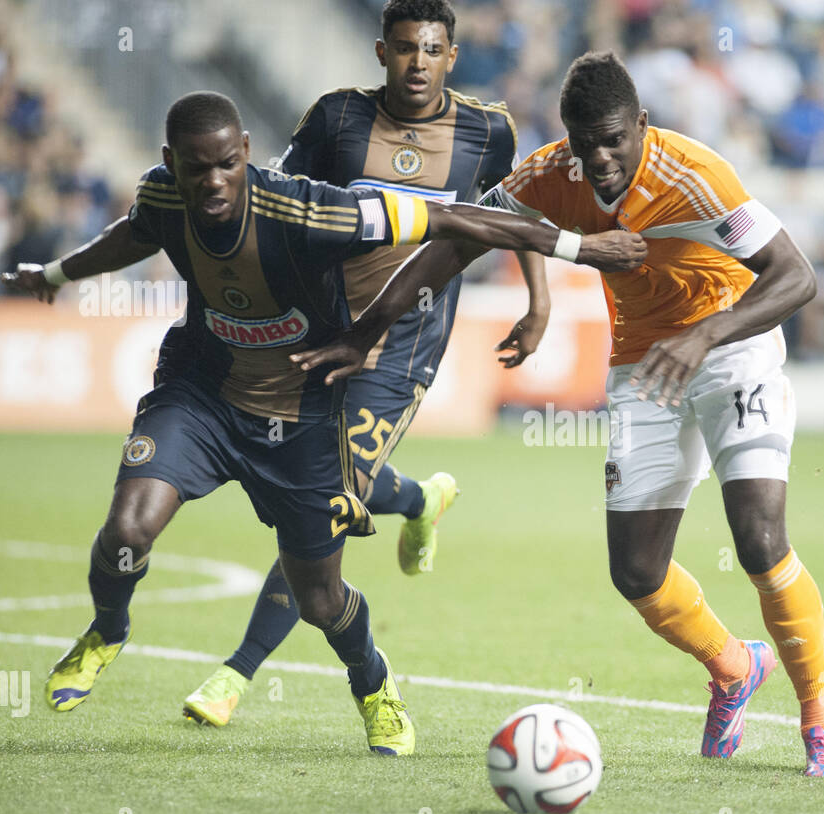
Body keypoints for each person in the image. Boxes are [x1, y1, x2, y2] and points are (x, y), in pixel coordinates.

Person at [1, 90, 645, 756]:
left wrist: (581, 246)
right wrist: (54, 272)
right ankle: (108, 629)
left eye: (227, 163)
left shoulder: (311, 210)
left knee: (320, 599)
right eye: (198, 169)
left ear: (246, 151)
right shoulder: (164, 197)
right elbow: (132, 235)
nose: (214, 180)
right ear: (172, 163)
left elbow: (459, 218)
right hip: (200, 399)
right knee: (126, 530)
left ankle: (372, 680)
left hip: (302, 418)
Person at [295, 53, 824, 777]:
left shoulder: (697, 175)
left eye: (614, 140)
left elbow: (796, 276)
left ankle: (821, 718)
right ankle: (732, 666)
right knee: (637, 573)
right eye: (585, 142)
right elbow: (457, 240)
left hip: (730, 349)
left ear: (642, 127)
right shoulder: (550, 176)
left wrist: (703, 335)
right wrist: (368, 329)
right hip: (642, 367)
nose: (600, 158)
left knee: (758, 536)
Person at [181, 0, 552, 728]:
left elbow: (522, 212)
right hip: (321, 325)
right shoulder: (335, 120)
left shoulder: (488, 131)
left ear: (452, 56)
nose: (419, 62)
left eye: (433, 50)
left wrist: (537, 303)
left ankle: (236, 673)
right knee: (309, 481)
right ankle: (418, 499)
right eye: (406, 48)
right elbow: (274, 203)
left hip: (404, 341)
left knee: (319, 502)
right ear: (382, 52)